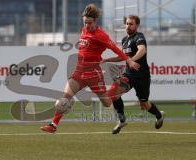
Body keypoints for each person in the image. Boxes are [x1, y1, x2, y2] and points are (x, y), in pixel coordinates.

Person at [40, 4, 140, 133]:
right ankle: (53, 125)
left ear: (95, 21)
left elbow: (115, 49)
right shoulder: (84, 30)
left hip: (93, 74)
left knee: (107, 103)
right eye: (85, 22)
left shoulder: (101, 35)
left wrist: (129, 60)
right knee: (65, 98)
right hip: (79, 71)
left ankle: (120, 86)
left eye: (89, 23)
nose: (87, 25)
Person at [102, 15, 165, 134]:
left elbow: (142, 50)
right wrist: (107, 60)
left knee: (145, 104)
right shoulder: (125, 40)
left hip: (142, 77)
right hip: (129, 75)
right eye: (127, 23)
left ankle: (159, 115)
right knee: (114, 94)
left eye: (131, 24)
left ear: (137, 25)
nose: (128, 26)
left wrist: (132, 60)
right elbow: (122, 56)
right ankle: (121, 120)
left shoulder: (139, 37)